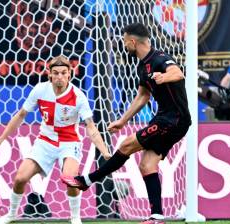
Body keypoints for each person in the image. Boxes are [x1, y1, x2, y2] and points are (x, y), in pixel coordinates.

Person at [61, 23, 191, 224]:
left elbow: (178, 73)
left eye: (124, 41)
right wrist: (122, 121)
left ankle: (87, 180)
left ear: (132, 41)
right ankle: (156, 217)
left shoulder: (159, 58)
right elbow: (142, 97)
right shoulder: (142, 66)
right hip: (164, 118)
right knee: (147, 165)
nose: (124, 45)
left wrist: (163, 77)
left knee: (126, 145)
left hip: (174, 119)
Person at [0, 55, 111, 224]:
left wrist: (104, 151)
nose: (60, 77)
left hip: (70, 142)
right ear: (50, 74)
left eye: (63, 73)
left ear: (69, 74)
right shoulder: (40, 90)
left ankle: (75, 218)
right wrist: (1, 139)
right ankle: (11, 215)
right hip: (45, 140)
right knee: (20, 178)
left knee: (71, 180)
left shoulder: (78, 96)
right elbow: (21, 115)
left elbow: (91, 127)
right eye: (56, 73)